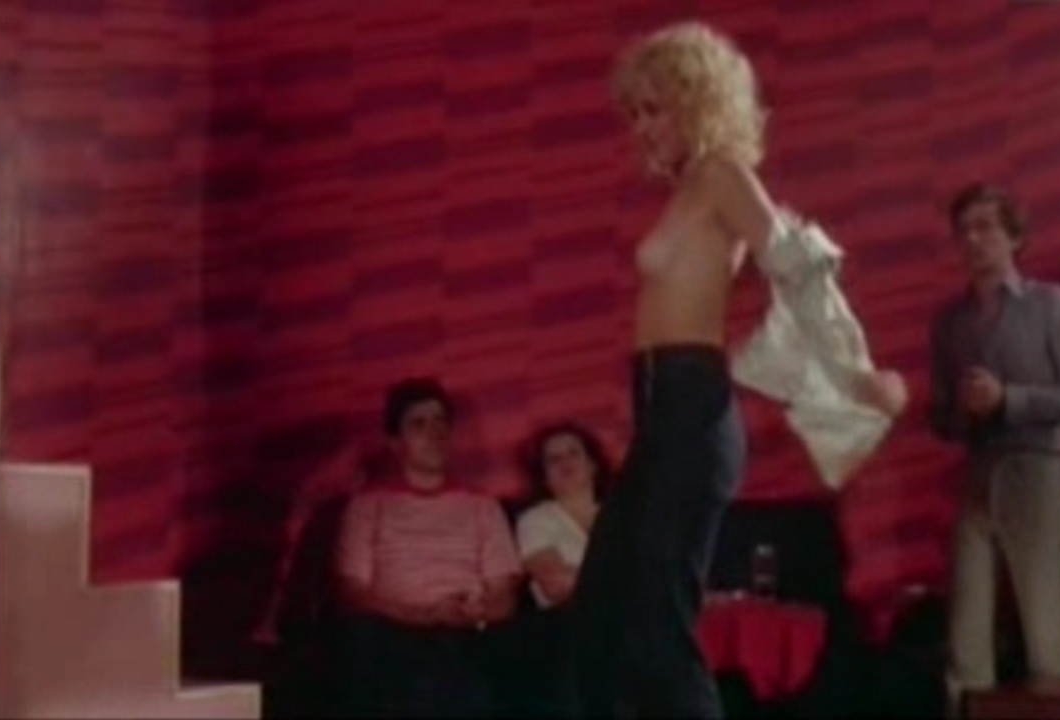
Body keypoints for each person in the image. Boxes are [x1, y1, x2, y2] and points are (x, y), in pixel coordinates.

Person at [570, 21, 907, 719]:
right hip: (660, 416)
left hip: (691, 412)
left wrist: (854, 372)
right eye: (635, 113)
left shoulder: (722, 175)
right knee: (603, 610)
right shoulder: (692, 185)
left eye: (655, 109)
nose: (642, 127)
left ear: (697, 101)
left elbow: (798, 266)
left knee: (659, 625)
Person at [927, 184, 1060, 713]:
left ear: (1015, 237)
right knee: (966, 640)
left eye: (986, 228)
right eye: (964, 230)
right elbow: (941, 420)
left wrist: (1009, 399)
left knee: (1046, 628)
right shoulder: (950, 321)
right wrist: (962, 410)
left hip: (1036, 470)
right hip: (977, 474)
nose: (973, 240)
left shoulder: (1050, 305)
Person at [332, 377, 523, 718]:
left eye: (440, 422)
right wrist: (422, 615)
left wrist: (474, 613)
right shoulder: (367, 506)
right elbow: (352, 593)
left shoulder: (483, 506)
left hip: (465, 631)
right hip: (393, 633)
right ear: (395, 442)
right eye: (419, 424)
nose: (434, 433)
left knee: (457, 655)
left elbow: (504, 599)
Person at [515, 421, 613, 609]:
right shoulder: (534, 520)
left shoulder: (622, 511)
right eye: (554, 459)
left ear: (593, 465)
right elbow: (556, 584)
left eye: (573, 453)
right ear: (543, 476)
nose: (565, 462)